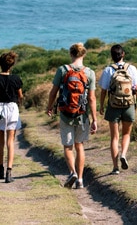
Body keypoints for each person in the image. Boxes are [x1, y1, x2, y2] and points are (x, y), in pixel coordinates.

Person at [46, 43, 97, 189]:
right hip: (82, 114)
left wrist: (50, 107)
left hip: (65, 114)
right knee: (79, 145)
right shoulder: (89, 73)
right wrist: (94, 119)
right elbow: (92, 99)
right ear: (84, 54)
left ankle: (72, 172)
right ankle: (80, 179)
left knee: (68, 146)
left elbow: (53, 92)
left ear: (71, 54)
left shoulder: (62, 70)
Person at [99, 44, 137, 174]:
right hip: (129, 105)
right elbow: (136, 89)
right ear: (123, 54)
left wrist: (102, 106)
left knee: (114, 137)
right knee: (126, 134)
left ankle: (115, 168)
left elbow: (103, 91)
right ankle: (123, 154)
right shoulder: (132, 69)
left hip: (113, 106)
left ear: (112, 56)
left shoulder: (108, 70)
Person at [0, 51, 23, 183]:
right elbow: (20, 96)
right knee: (11, 142)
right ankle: (9, 172)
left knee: (0, 142)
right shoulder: (16, 79)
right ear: (11, 65)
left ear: (0, 64)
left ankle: (0, 169)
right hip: (12, 109)